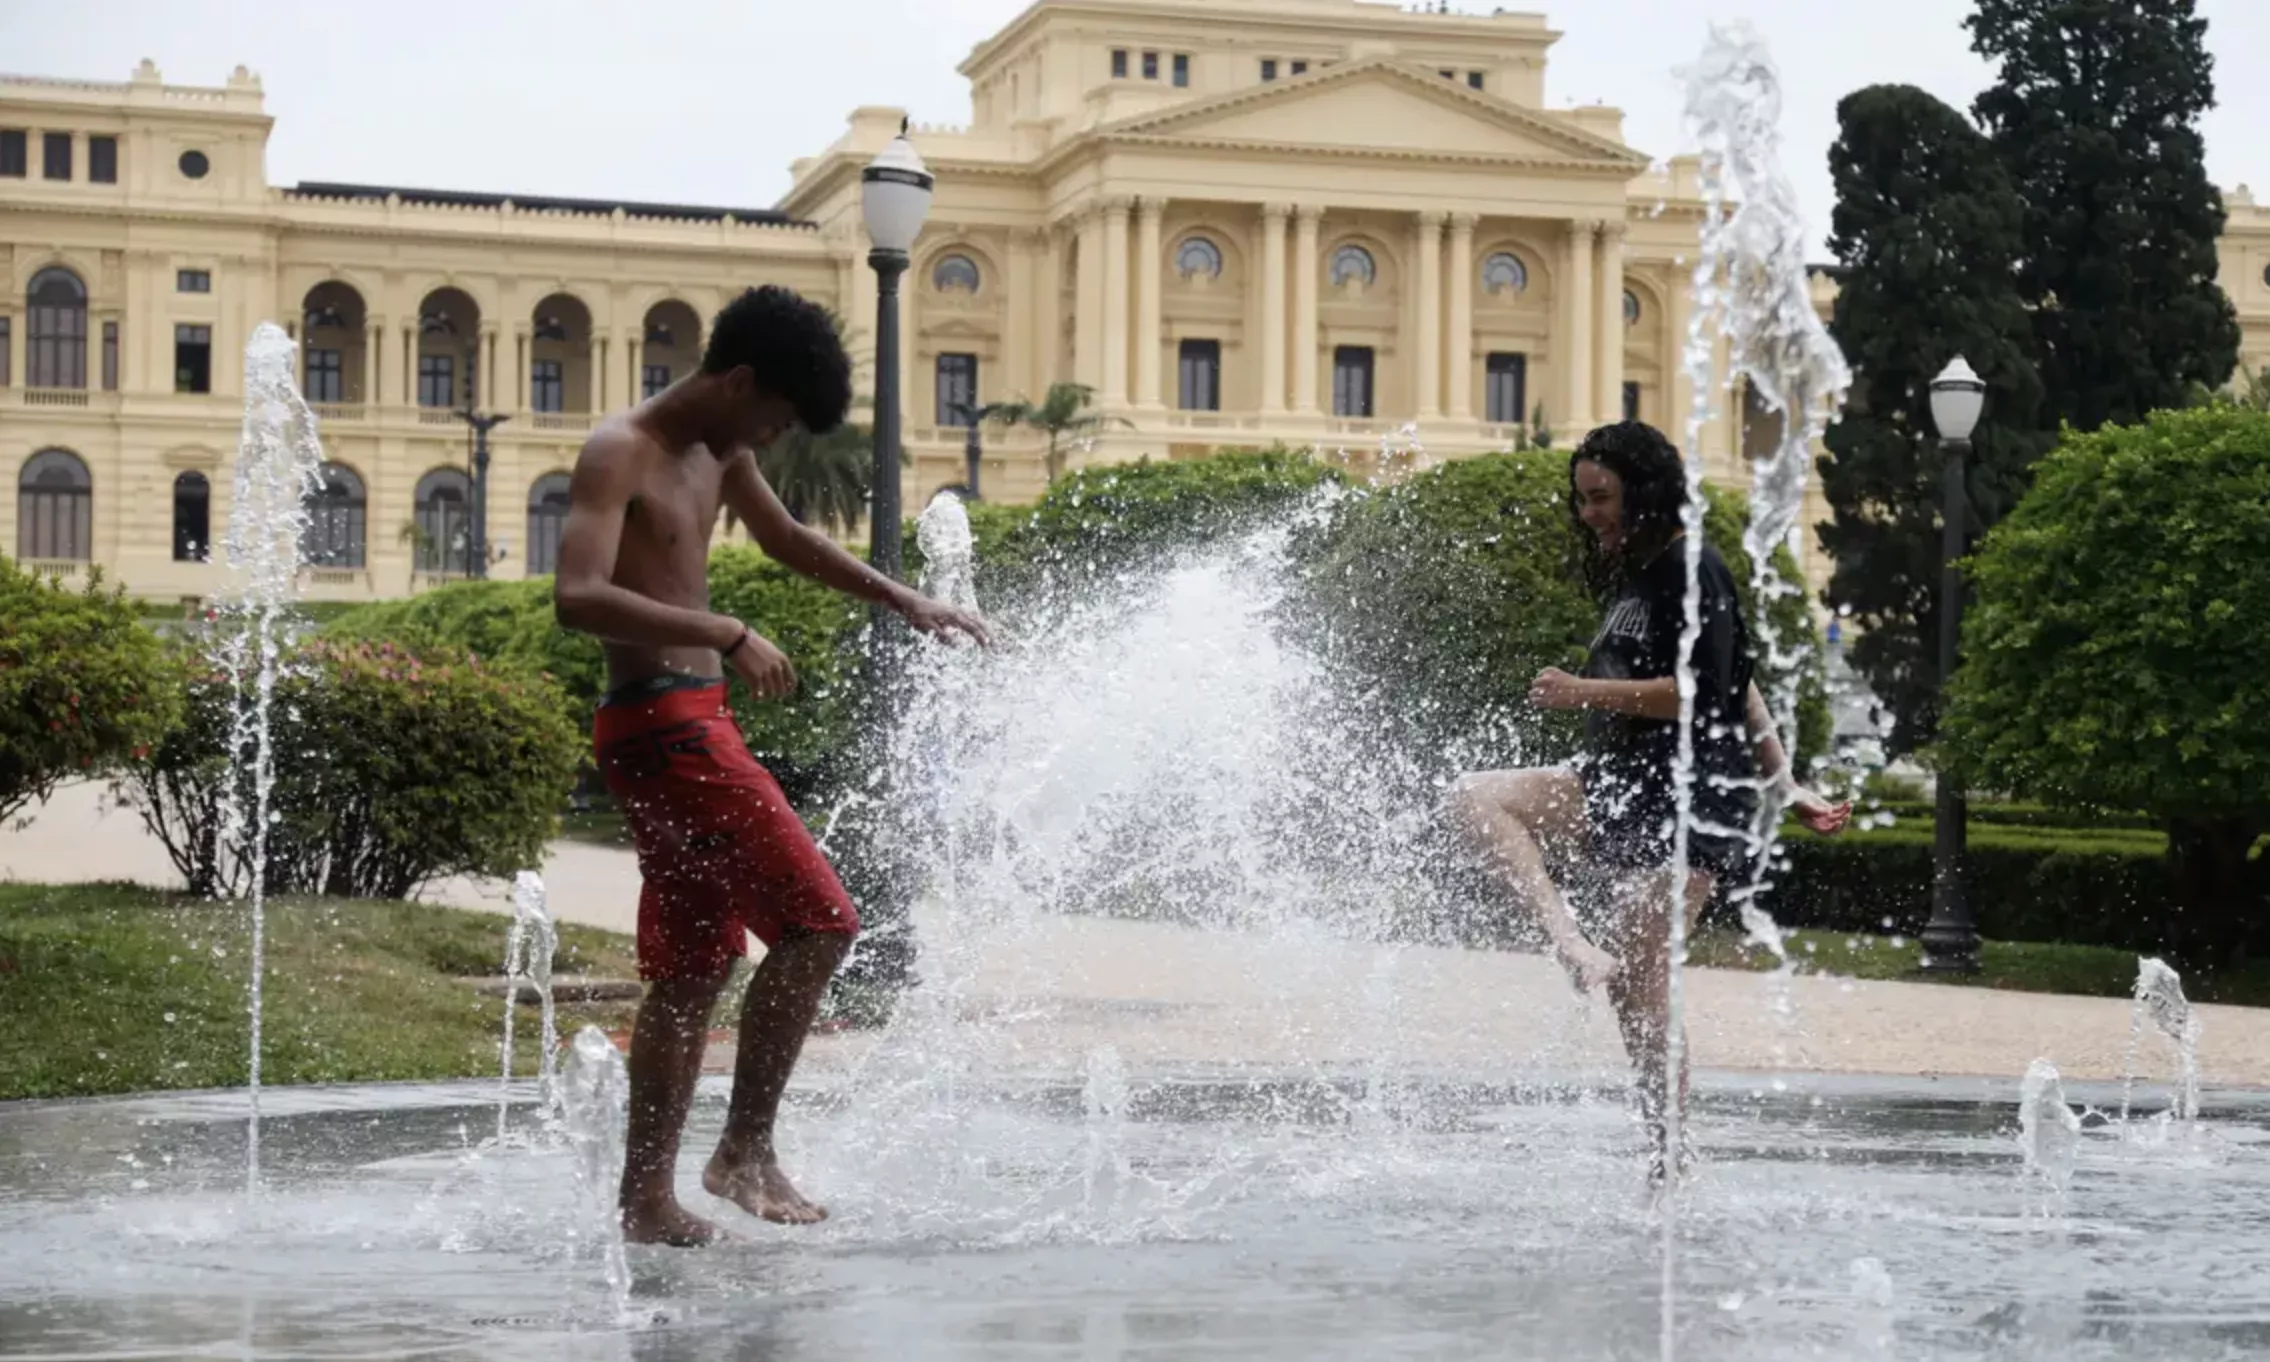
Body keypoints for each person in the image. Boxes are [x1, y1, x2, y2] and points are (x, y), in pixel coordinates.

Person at [554, 284, 990, 1247]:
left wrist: (907, 600)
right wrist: (724, 629)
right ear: (741, 380)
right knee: (821, 921)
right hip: (666, 728)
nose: (775, 436)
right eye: (777, 415)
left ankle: (646, 1204)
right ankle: (742, 1151)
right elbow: (577, 597)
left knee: (693, 968)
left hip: (679, 723)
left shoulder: (724, 451)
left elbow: (790, 539)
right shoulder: (620, 449)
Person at [1446, 420, 1851, 1183]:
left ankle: (1672, 1163)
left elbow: (1713, 691)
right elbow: (1748, 680)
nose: (1589, 513)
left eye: (1601, 497)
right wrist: (1787, 780)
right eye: (1582, 500)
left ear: (1644, 489)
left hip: (1691, 805)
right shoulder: (1637, 574)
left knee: (1641, 987)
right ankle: (1568, 942)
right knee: (1474, 798)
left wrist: (1583, 691)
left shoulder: (1693, 567)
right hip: (1619, 783)